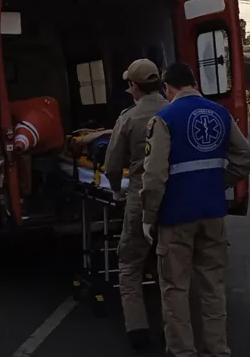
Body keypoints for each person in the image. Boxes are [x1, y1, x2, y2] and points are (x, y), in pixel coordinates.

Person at [141, 62, 250, 357]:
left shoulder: (163, 119)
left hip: (176, 216)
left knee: (176, 288)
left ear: (168, 87)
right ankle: (216, 349)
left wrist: (148, 216)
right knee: (213, 286)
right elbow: (245, 159)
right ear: (194, 83)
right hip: (213, 212)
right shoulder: (221, 114)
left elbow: (154, 178)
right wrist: (218, 182)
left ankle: (182, 351)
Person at [104, 58, 169, 350]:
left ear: (133, 87)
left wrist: (117, 191)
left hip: (140, 198)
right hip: (172, 198)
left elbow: (113, 165)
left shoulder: (128, 118)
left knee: (129, 264)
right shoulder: (174, 111)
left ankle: (138, 331)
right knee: (168, 264)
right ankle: (174, 326)